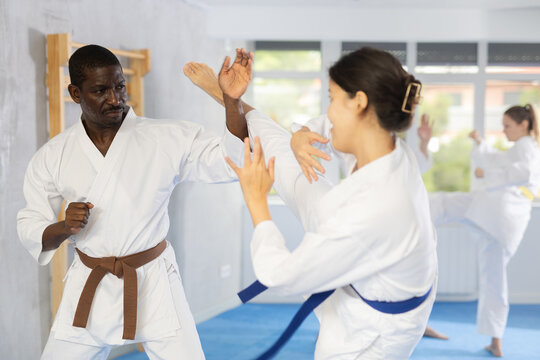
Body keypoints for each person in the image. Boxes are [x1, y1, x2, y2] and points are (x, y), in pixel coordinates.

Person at [189, 47, 438, 359]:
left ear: (359, 102)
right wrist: (301, 134)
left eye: (332, 98)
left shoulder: (374, 208)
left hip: (373, 334)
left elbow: (280, 276)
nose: (329, 111)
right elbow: (319, 129)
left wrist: (256, 201)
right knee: (293, 167)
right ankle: (227, 96)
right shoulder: (387, 147)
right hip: (376, 264)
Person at [17, 44, 252, 359]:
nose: (115, 99)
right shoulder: (53, 155)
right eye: (100, 90)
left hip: (154, 280)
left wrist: (232, 101)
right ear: (75, 93)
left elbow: (231, 161)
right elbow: (30, 225)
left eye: (119, 86)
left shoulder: (167, 137)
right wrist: (63, 226)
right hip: (90, 281)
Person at [429, 104, 540, 357]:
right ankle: (496, 340)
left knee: (442, 203)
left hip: (498, 211)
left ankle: (414, 224)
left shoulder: (527, 147)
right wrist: (480, 143)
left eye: (507, 126)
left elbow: (523, 171)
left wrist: (485, 172)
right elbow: (499, 159)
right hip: (505, 220)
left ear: (523, 125)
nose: (504, 131)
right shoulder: (522, 148)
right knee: (494, 278)